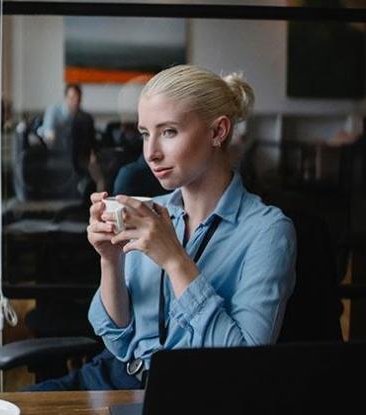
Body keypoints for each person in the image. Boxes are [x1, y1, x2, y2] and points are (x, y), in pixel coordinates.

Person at [24, 64, 297, 391]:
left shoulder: (268, 232)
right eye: (144, 133)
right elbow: (119, 342)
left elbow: (243, 365)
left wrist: (174, 260)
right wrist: (110, 260)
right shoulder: (150, 212)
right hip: (115, 379)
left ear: (217, 132)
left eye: (168, 132)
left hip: (190, 395)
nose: (150, 153)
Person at [36, 83, 100, 199]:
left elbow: (91, 142)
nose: (75, 101)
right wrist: (51, 136)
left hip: (78, 157)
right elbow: (49, 137)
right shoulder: (54, 112)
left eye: (78, 99)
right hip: (57, 156)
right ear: (66, 98)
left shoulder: (84, 117)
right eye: (72, 98)